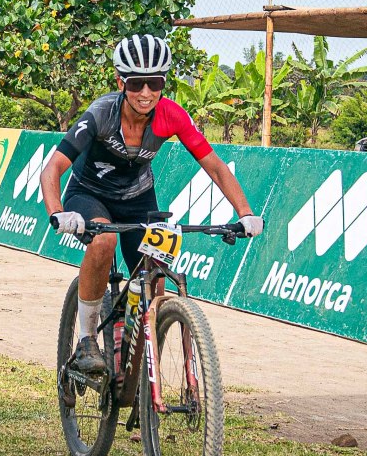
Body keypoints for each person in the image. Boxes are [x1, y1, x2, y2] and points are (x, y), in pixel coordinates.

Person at [39, 34, 262, 374]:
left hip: (138, 196)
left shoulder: (171, 115)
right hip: (89, 193)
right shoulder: (101, 114)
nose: (146, 93)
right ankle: (87, 339)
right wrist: (57, 212)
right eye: (136, 83)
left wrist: (245, 213)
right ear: (121, 82)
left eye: (154, 83)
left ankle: (132, 355)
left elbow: (215, 166)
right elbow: (53, 168)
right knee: (104, 241)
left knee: (155, 276)